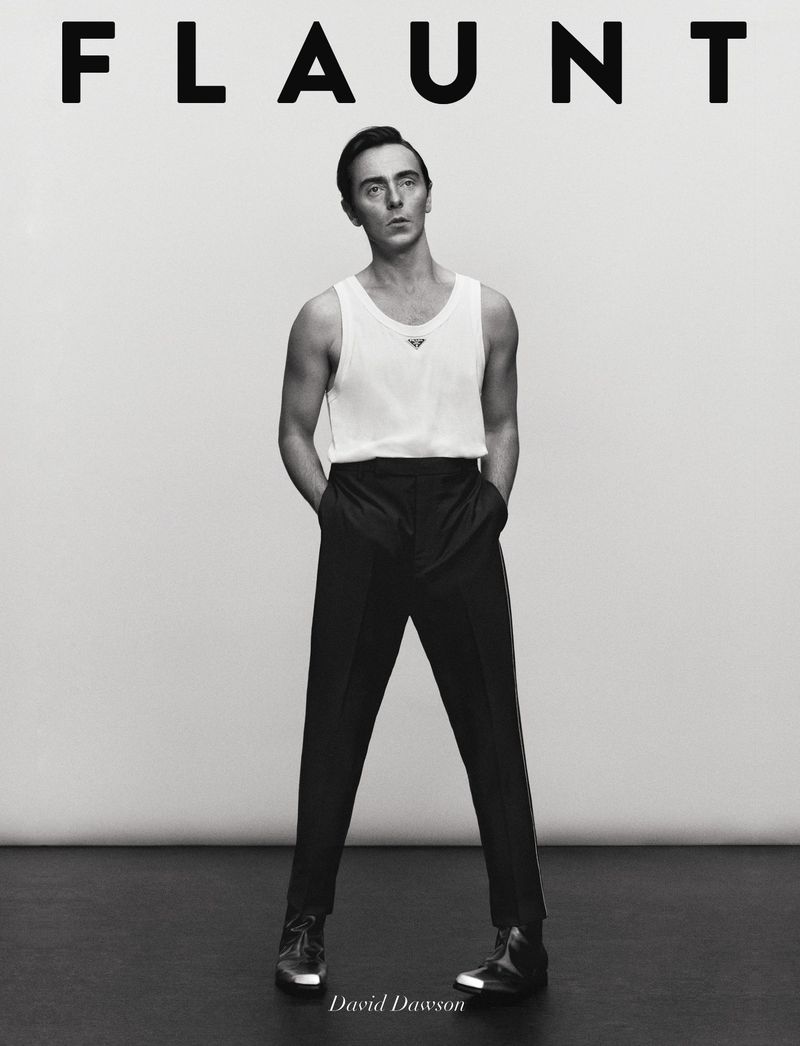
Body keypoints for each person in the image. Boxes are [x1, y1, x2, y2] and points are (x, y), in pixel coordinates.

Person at [275, 126, 548, 1001]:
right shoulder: (327, 315)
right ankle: (302, 928)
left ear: (429, 192)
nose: (393, 200)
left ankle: (523, 940)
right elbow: (294, 431)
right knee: (335, 725)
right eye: (373, 187)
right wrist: (338, 515)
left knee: (492, 729)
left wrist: (491, 506)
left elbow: (502, 423)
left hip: (460, 512)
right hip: (366, 512)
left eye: (407, 181)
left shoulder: (488, 309)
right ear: (350, 207)